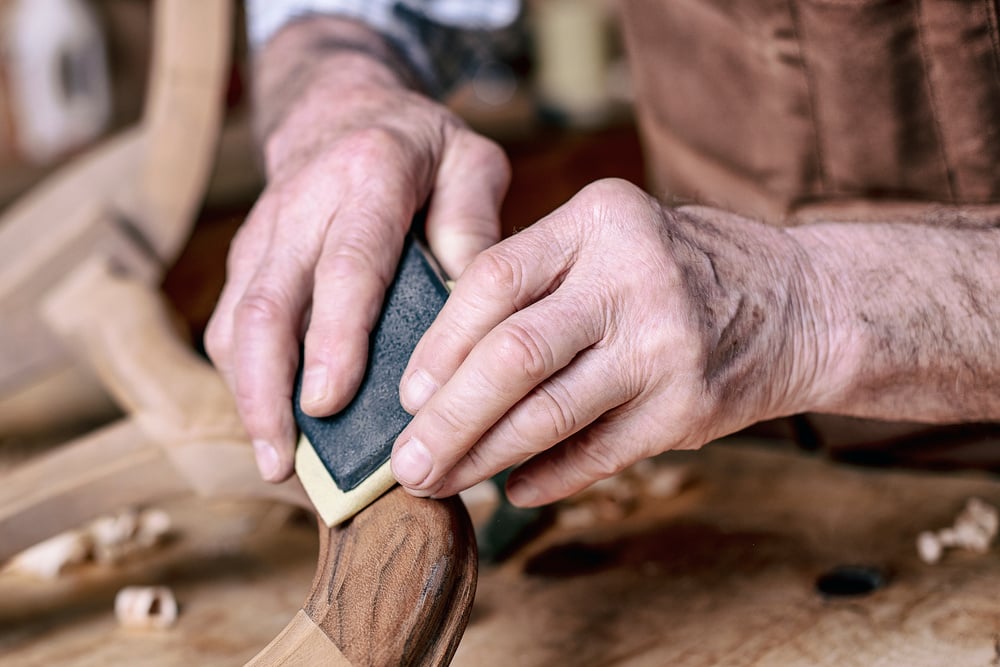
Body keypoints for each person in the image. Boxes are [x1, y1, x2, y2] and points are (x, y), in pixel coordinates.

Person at [205, 1, 999, 509]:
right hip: (728, 474)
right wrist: (336, 94)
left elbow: (793, 310)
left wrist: (810, 309)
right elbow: (351, 13)